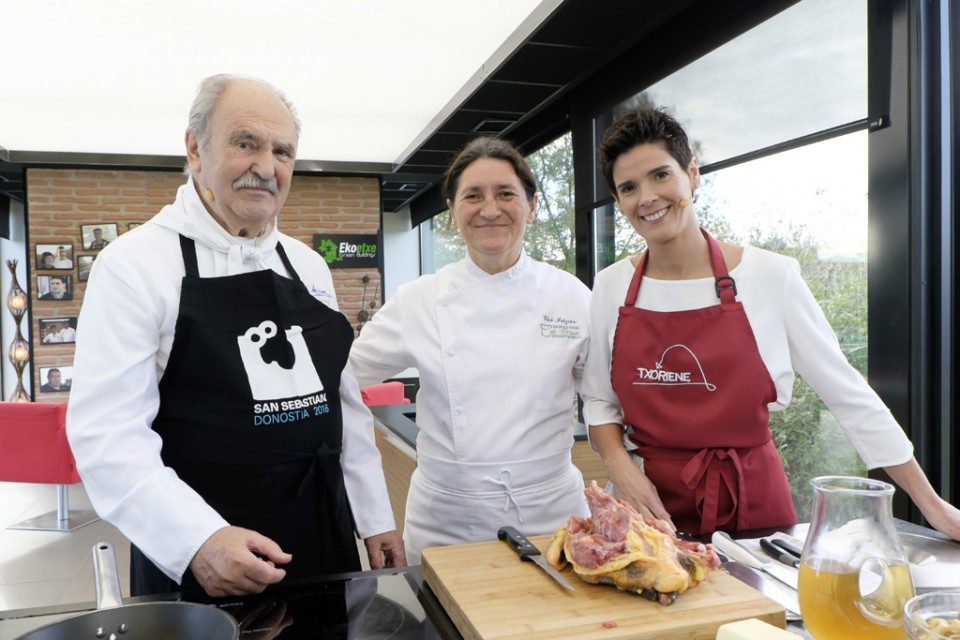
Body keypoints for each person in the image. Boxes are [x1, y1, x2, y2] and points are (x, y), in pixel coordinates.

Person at [66, 74, 405, 599]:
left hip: (320, 531)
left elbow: (341, 404)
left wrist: (374, 515)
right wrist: (198, 539)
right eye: (246, 144)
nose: (266, 167)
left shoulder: (308, 265)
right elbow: (107, 435)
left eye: (282, 151)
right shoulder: (133, 266)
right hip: (204, 546)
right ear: (194, 149)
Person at [581, 107, 960, 541]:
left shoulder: (770, 276)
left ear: (692, 173)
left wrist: (933, 507)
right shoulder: (611, 286)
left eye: (660, 175)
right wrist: (618, 466)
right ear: (618, 201)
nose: (647, 197)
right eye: (629, 187)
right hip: (646, 507)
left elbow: (848, 395)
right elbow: (599, 399)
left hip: (753, 503)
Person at [348, 137, 592, 563]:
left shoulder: (571, 296)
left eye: (506, 194)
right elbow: (342, 378)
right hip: (447, 518)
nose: (490, 209)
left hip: (551, 513)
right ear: (452, 210)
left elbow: (606, 399)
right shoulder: (420, 299)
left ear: (532, 206)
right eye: (473, 196)